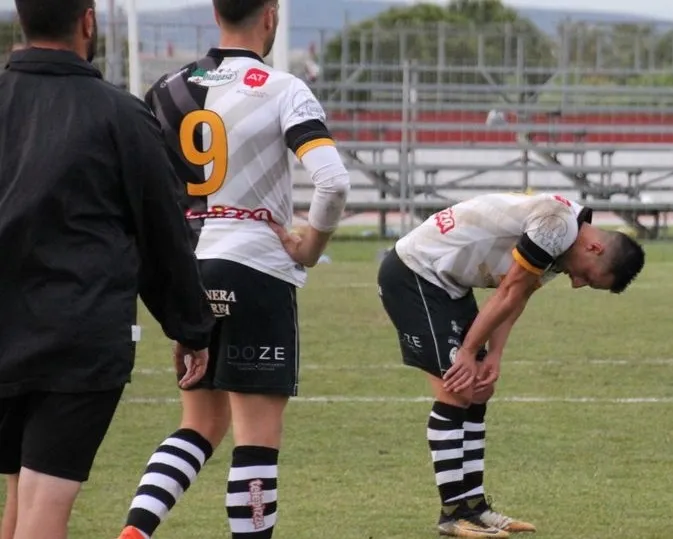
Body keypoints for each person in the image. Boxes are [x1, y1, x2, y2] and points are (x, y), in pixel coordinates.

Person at [117, 1, 350, 538]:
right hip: (253, 265)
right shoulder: (282, 87)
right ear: (270, 15)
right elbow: (333, 182)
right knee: (256, 439)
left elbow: (147, 196)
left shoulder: (165, 90)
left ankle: (133, 533)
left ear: (215, 13)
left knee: (198, 425)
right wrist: (311, 246)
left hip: (188, 267)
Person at [0, 1, 217, 538]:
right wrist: (190, 328)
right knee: (43, 502)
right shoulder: (118, 114)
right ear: (89, 20)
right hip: (77, 341)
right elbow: (162, 231)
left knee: (20, 495)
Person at [370, 192, 645, 538]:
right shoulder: (556, 226)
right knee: (458, 388)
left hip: (448, 285)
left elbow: (517, 295)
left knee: (480, 389)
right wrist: (469, 351)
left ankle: (475, 508)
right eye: (588, 278)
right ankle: (453, 513)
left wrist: (493, 357)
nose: (577, 284)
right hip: (414, 274)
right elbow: (511, 288)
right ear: (595, 249)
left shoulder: (563, 242)